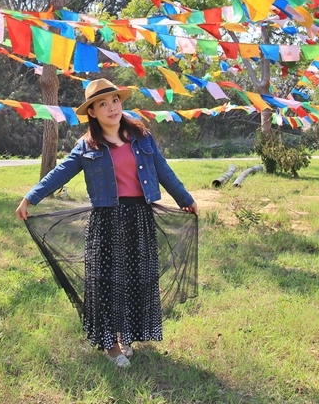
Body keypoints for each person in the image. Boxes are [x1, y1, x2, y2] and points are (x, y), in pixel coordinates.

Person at [16, 78, 198, 368]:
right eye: (102, 104)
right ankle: (111, 346)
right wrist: (30, 198)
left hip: (140, 218)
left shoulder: (142, 137)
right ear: (93, 112)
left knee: (137, 280)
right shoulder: (87, 146)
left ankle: (127, 337)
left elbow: (164, 170)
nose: (111, 107)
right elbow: (60, 173)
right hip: (107, 220)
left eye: (114, 100)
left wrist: (185, 198)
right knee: (106, 283)